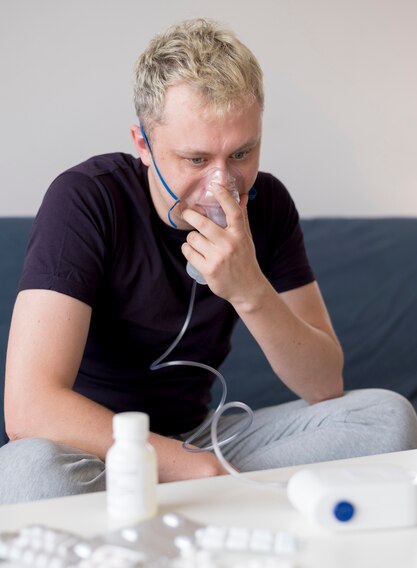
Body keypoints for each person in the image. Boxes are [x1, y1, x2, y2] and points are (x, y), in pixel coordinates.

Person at [1, 18, 416, 505]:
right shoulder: (87, 200)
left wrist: (249, 289)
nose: (223, 185)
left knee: (385, 418)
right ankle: (216, 501)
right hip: (91, 453)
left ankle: (199, 504)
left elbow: (325, 385)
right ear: (143, 145)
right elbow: (29, 408)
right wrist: (180, 466)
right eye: (196, 160)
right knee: (31, 470)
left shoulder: (269, 205)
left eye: (241, 153)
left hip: (203, 437)